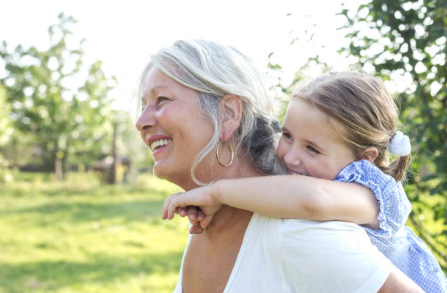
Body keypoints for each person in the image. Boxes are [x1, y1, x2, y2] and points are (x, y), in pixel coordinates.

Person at [137, 39, 423, 292]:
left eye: (162, 99)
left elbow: (314, 198)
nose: (141, 122)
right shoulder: (216, 220)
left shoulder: (303, 231)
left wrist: (216, 191)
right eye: (287, 136)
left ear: (227, 115)